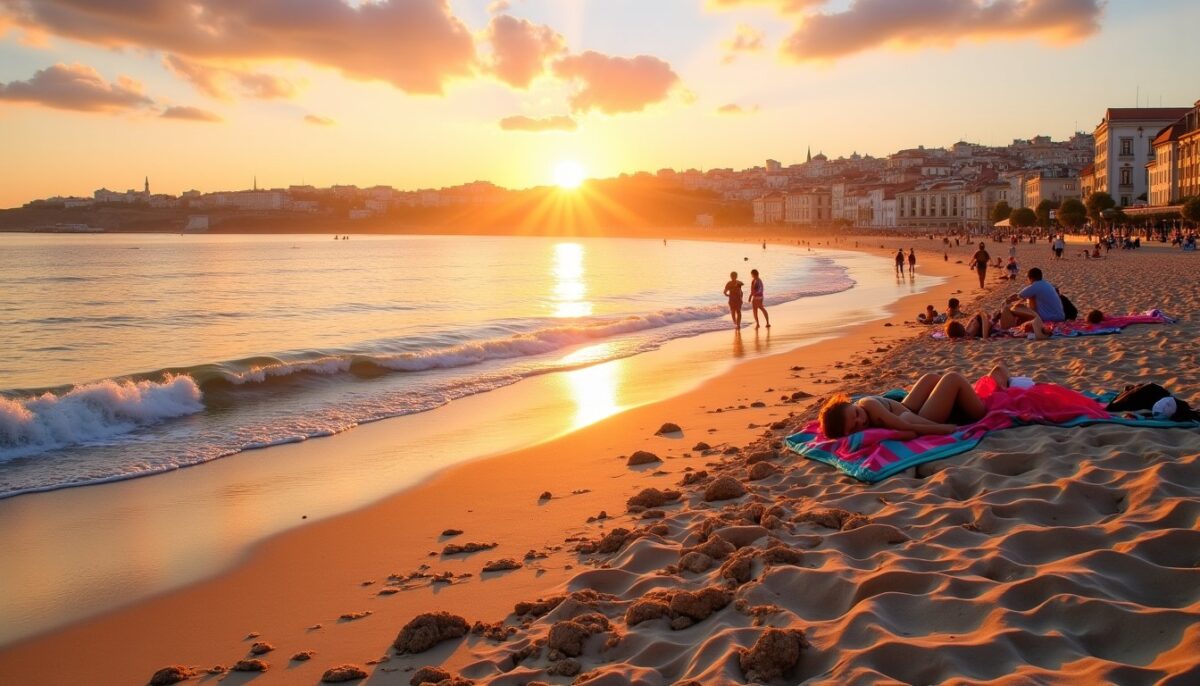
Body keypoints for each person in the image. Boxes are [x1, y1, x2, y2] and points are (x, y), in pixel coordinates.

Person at [818, 361, 1013, 438]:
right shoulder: (864, 410)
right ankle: (999, 379)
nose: (861, 422)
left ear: (852, 404)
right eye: (854, 428)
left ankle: (1000, 379)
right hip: (919, 415)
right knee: (952, 378)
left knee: (932, 378)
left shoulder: (867, 404)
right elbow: (904, 427)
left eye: (856, 415)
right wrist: (944, 429)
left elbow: (902, 426)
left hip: (913, 411)